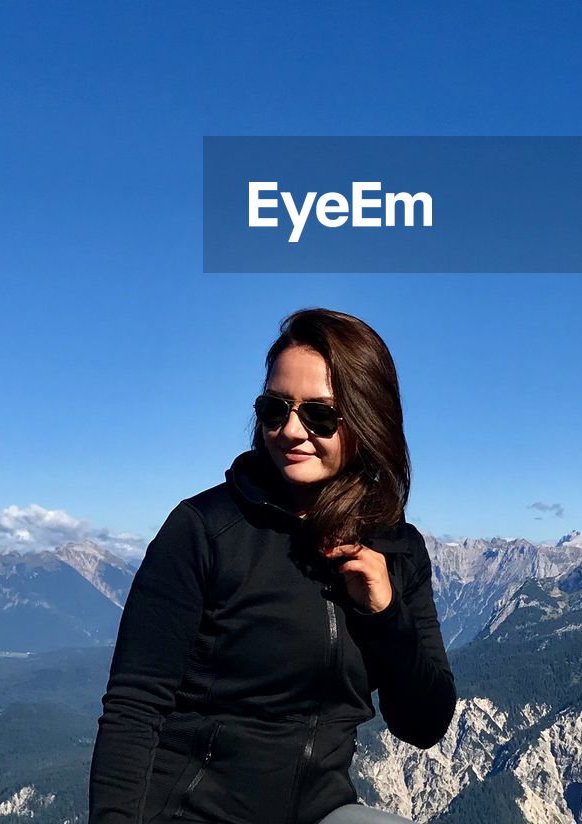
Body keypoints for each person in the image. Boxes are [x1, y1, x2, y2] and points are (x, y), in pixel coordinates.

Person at [88, 307, 457, 824]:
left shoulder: (397, 549)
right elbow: (134, 704)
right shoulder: (206, 529)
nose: (290, 430)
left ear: (369, 418)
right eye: (275, 408)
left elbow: (424, 724)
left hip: (322, 814)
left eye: (320, 415)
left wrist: (385, 616)